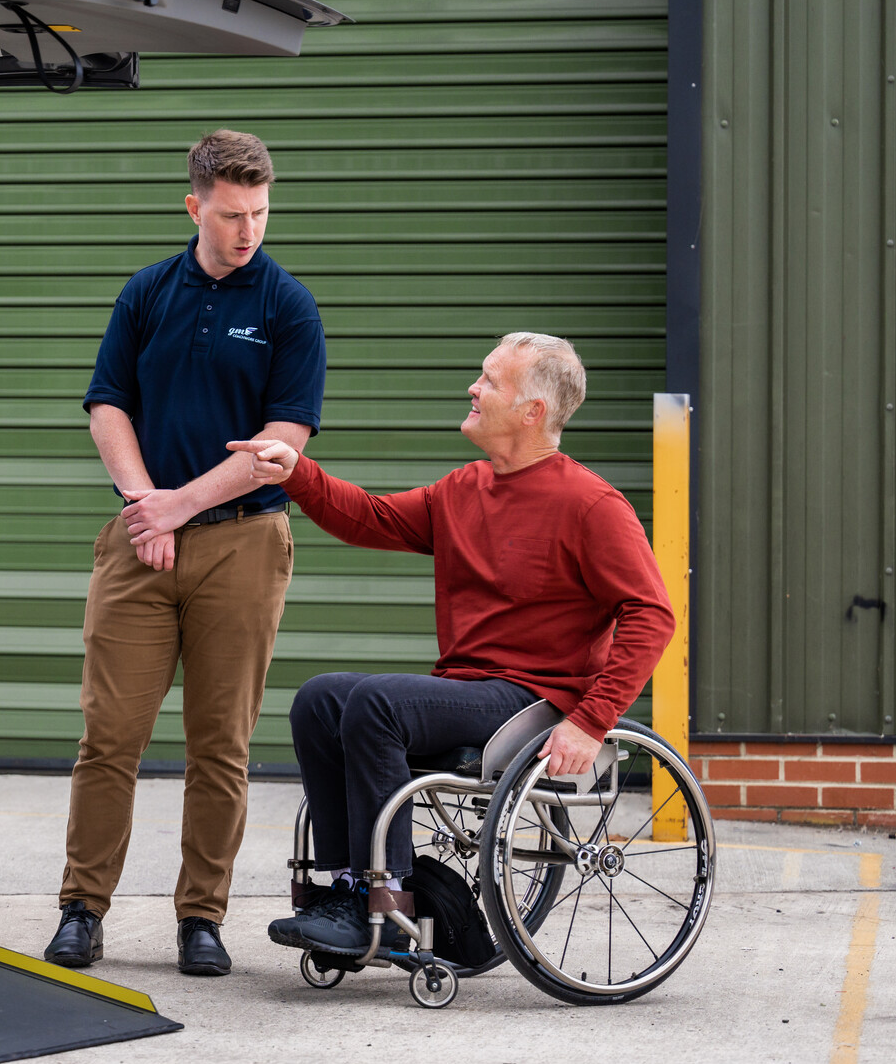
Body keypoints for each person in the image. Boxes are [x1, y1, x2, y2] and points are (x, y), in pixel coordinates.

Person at [226, 332, 675, 957]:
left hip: (533, 699)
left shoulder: (592, 505)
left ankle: (393, 907)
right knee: (321, 699)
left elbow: (651, 615)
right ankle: (346, 891)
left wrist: (591, 720)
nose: (473, 387)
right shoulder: (465, 489)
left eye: (490, 380)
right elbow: (371, 519)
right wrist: (297, 473)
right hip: (465, 688)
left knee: (376, 703)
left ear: (533, 411)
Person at [44, 130, 327, 977]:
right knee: (109, 737)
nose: (249, 230)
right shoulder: (146, 294)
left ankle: (201, 917)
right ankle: (80, 908)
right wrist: (143, 506)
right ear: (195, 203)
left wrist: (181, 503)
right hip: (140, 545)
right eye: (233, 213)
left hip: (243, 545)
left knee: (220, 745)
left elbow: (282, 441)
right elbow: (107, 405)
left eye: (262, 213)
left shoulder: (287, 306)